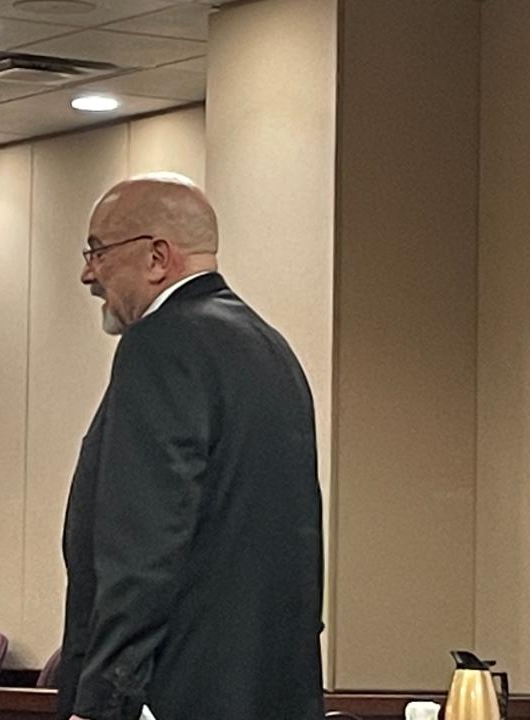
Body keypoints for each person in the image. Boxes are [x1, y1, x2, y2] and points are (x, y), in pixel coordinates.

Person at [57, 173, 324, 720]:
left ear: (157, 257)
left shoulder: (160, 344)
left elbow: (144, 543)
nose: (89, 273)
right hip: (270, 690)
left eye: (98, 251)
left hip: (175, 692)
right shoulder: (270, 349)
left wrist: (105, 701)